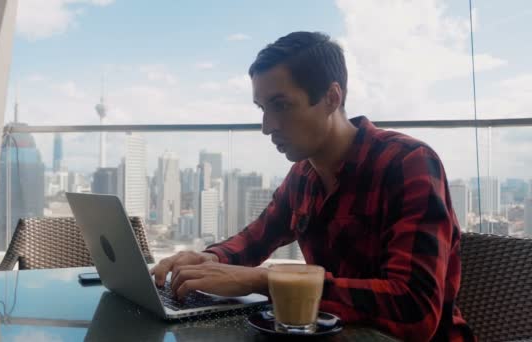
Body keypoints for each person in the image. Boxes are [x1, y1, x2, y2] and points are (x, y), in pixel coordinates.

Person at [150, 31, 475, 341]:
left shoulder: (407, 163)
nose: (267, 127)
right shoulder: (303, 175)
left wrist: (269, 280)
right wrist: (208, 259)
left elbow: (416, 312)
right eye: (263, 109)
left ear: (332, 98)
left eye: (281, 105)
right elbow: (255, 239)